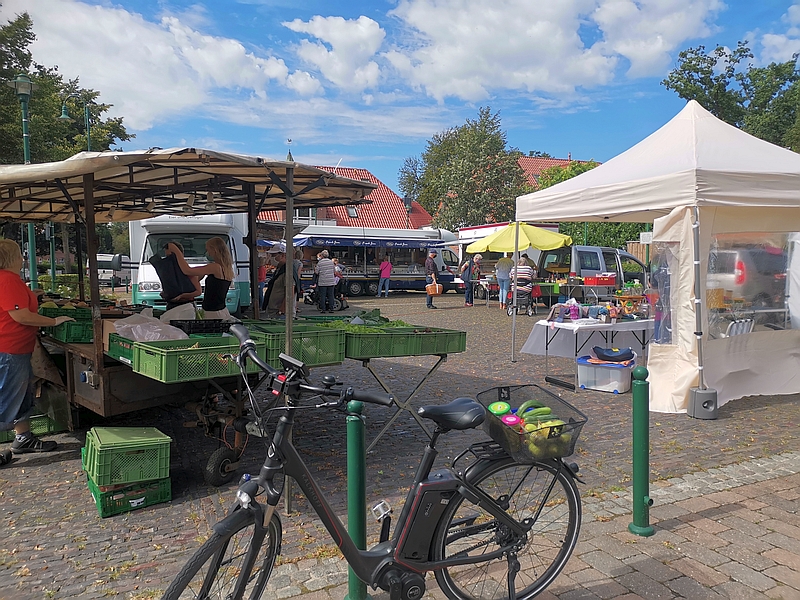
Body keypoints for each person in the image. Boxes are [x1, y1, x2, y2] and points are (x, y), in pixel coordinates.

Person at [0, 239, 75, 457]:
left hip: (15, 349)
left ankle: (23, 438)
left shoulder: (9, 280)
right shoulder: (7, 280)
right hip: (9, 350)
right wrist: (54, 321)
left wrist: (32, 295)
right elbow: (21, 316)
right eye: (20, 254)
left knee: (21, 396)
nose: (23, 258)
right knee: (5, 399)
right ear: (14, 258)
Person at [167, 237, 237, 321]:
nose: (208, 253)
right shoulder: (225, 268)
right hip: (221, 311)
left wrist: (176, 251)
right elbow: (196, 276)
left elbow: (187, 271)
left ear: (214, 250)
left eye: (208, 250)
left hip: (212, 314)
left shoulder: (215, 267)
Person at [162, 242, 202, 316]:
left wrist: (182, 296)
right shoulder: (169, 271)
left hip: (186, 306)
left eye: (169, 256)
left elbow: (198, 292)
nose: (167, 259)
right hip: (171, 305)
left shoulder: (188, 271)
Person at [261, 245, 301, 319]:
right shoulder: (280, 270)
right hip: (276, 312)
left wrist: (282, 309)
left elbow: (290, 292)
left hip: (282, 314)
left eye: (273, 255)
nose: (271, 258)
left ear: (283, 255)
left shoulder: (288, 271)